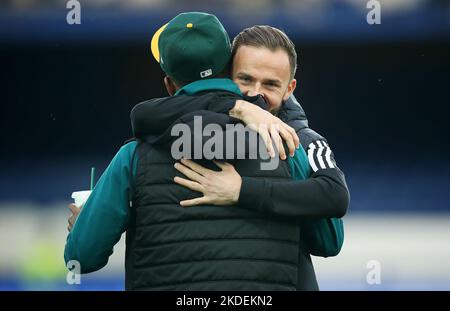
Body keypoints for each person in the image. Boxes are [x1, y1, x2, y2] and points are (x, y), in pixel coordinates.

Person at [65, 12, 326, 291]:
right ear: (228, 69)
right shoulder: (286, 144)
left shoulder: (133, 157)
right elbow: (328, 241)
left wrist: (90, 222)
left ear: (168, 84)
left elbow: (82, 258)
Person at [131, 25, 349, 289]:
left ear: (289, 88)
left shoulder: (303, 141)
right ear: (227, 75)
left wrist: (241, 190)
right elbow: (142, 115)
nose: (255, 93)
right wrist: (237, 106)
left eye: (270, 84)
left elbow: (333, 211)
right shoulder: (200, 124)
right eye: (245, 79)